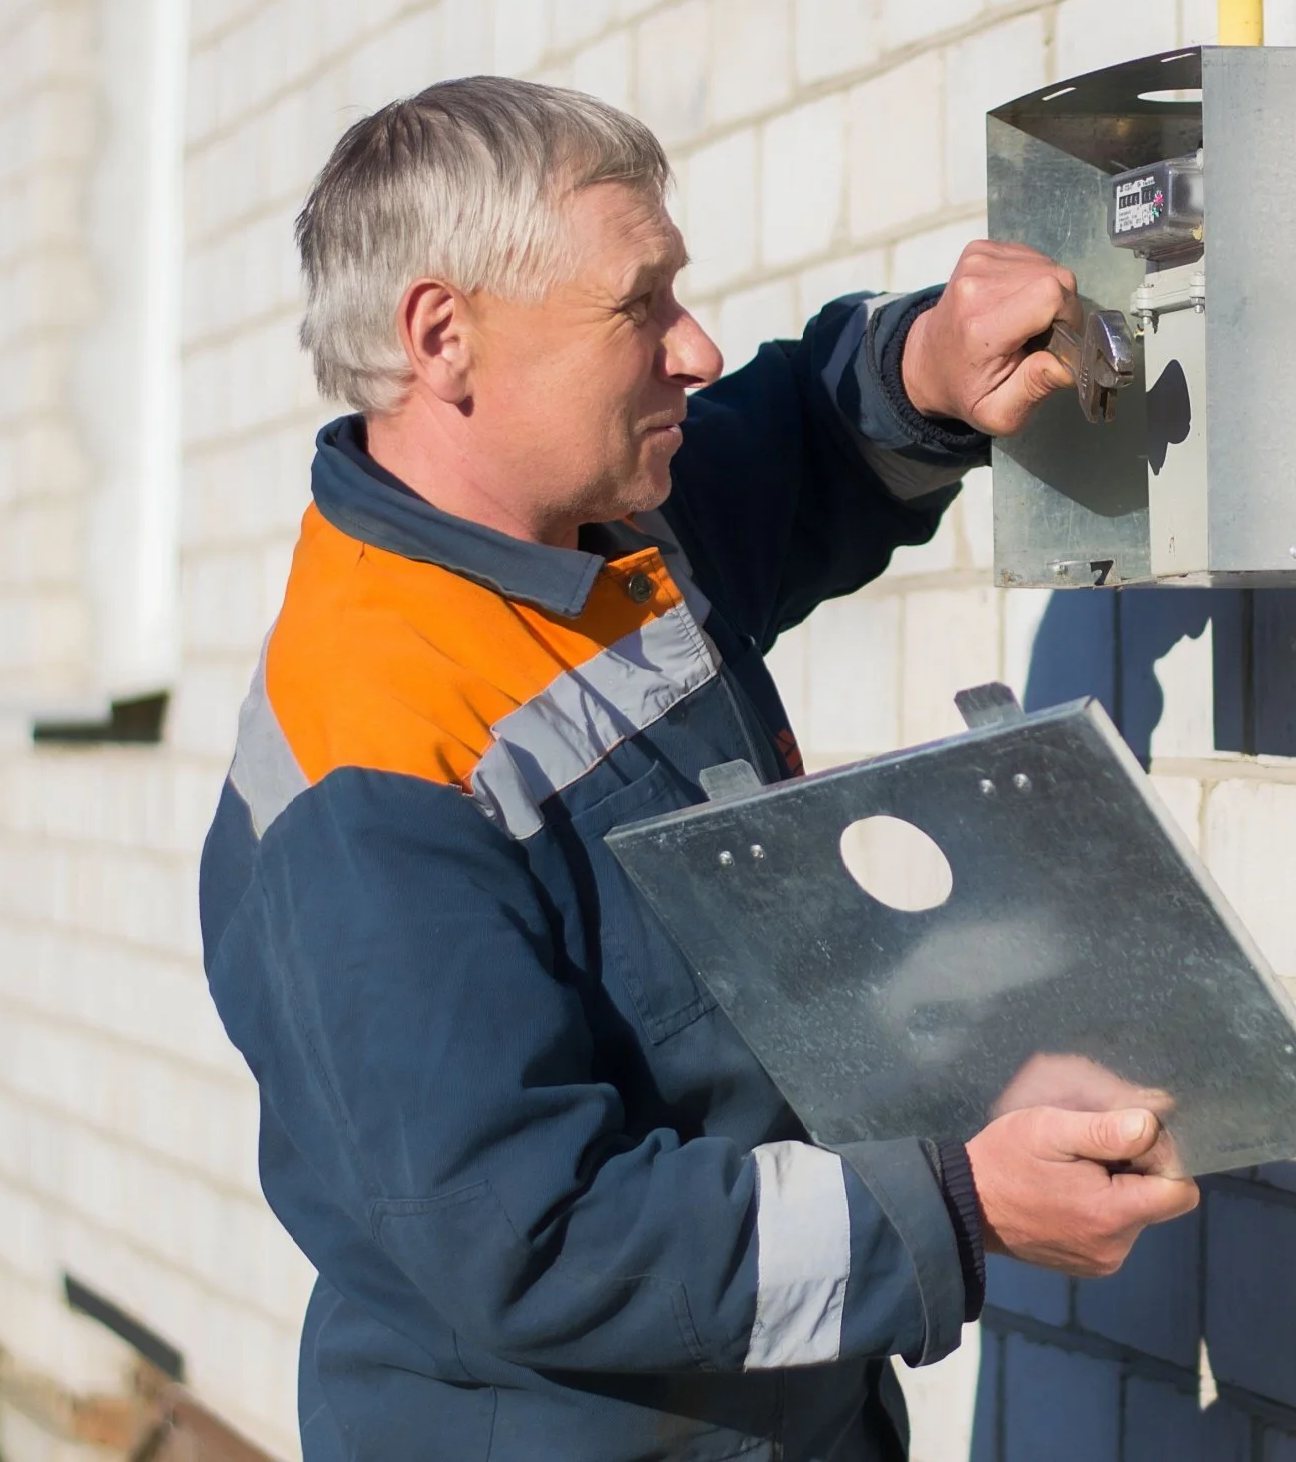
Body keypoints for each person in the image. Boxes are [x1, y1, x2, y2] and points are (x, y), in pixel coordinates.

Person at [198, 77, 1199, 1461]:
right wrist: (960, 1209)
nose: (698, 346)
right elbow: (535, 1236)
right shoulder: (372, 758)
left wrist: (926, 366)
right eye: (641, 305)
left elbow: (782, 451)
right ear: (444, 335)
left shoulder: (593, 538)